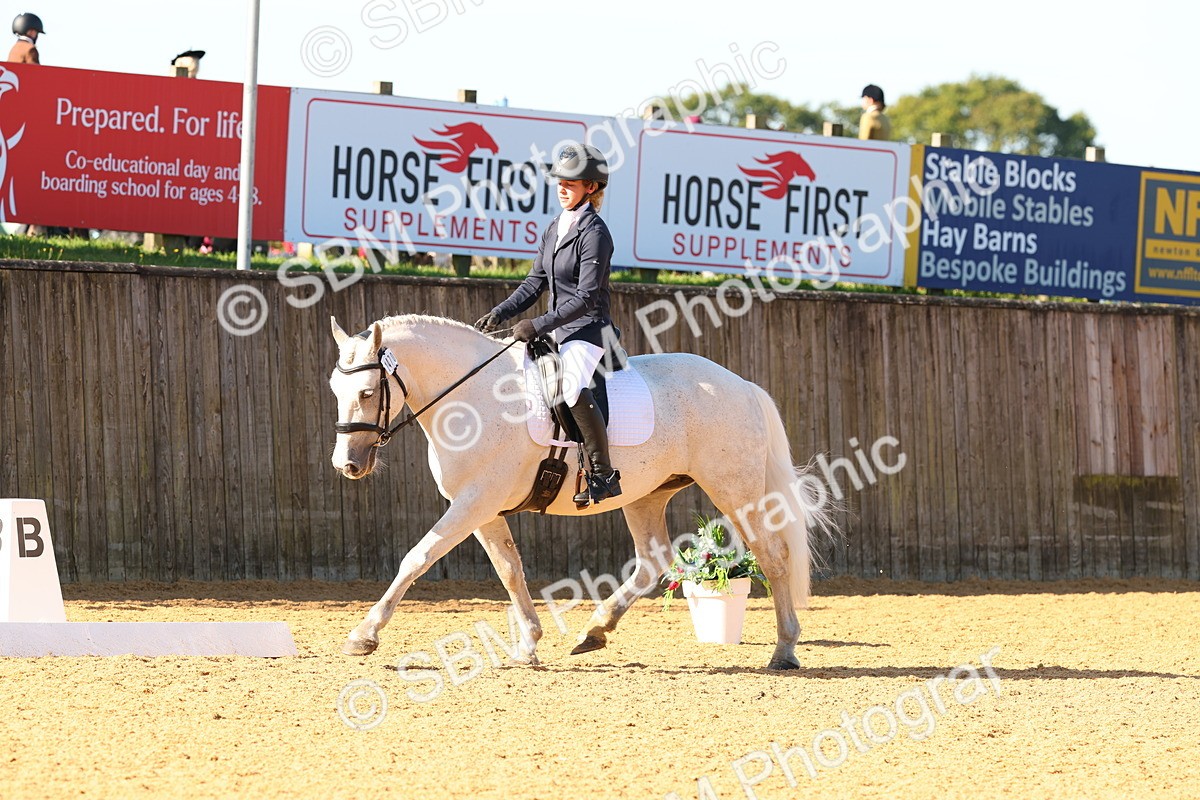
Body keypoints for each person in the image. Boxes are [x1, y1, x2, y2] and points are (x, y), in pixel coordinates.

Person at [474, 142, 623, 506]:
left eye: (570, 183)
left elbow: (586, 297)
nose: (561, 187)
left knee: (569, 385)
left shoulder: (595, 233)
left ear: (591, 187)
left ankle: (604, 475)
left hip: (590, 331)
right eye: (559, 181)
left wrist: (538, 325)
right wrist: (502, 311)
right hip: (561, 331)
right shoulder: (556, 227)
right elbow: (534, 282)